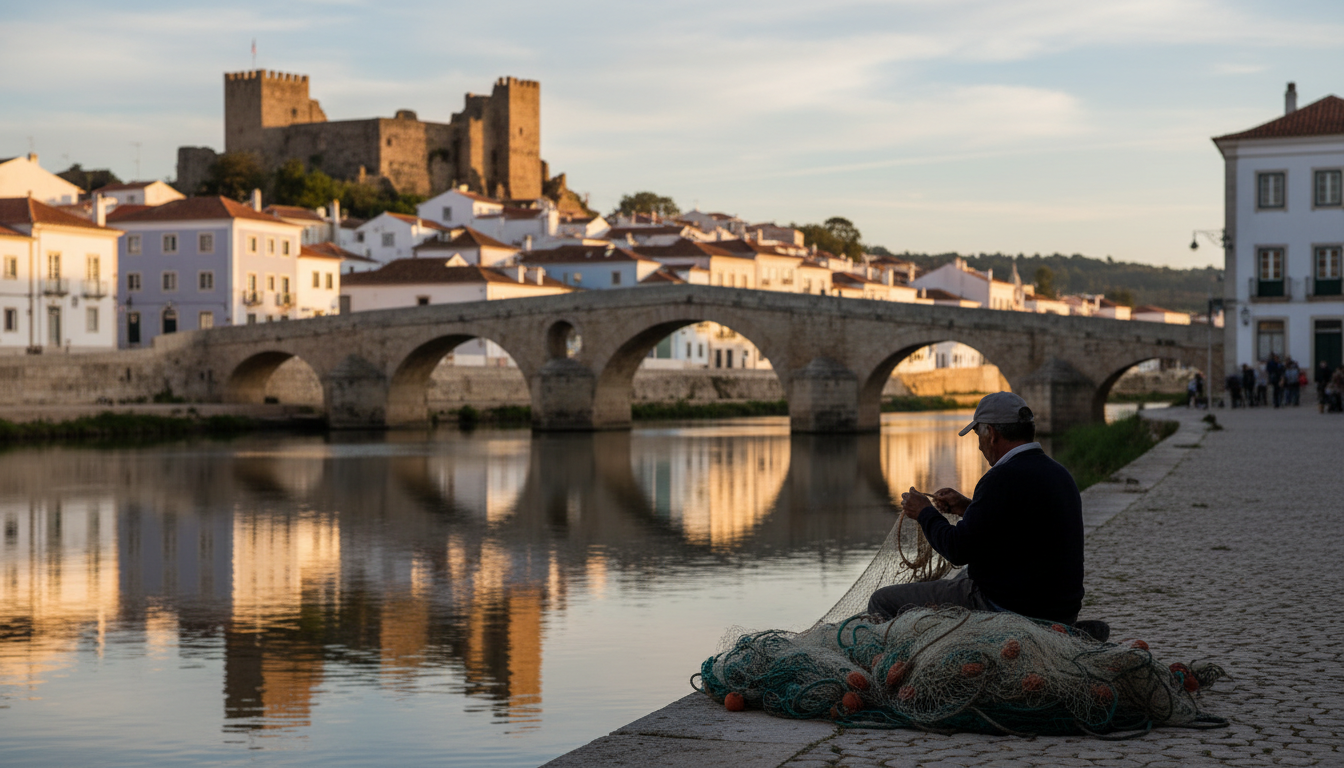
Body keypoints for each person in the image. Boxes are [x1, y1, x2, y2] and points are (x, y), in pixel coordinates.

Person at [866, 392, 1084, 627]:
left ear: (991, 434)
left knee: (883, 600)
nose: (978, 446)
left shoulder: (1000, 478)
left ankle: (893, 660)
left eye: (977, 434)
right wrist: (967, 508)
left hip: (1013, 607)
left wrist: (924, 513)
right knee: (964, 578)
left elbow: (958, 550)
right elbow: (1020, 523)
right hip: (1062, 610)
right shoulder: (1059, 474)